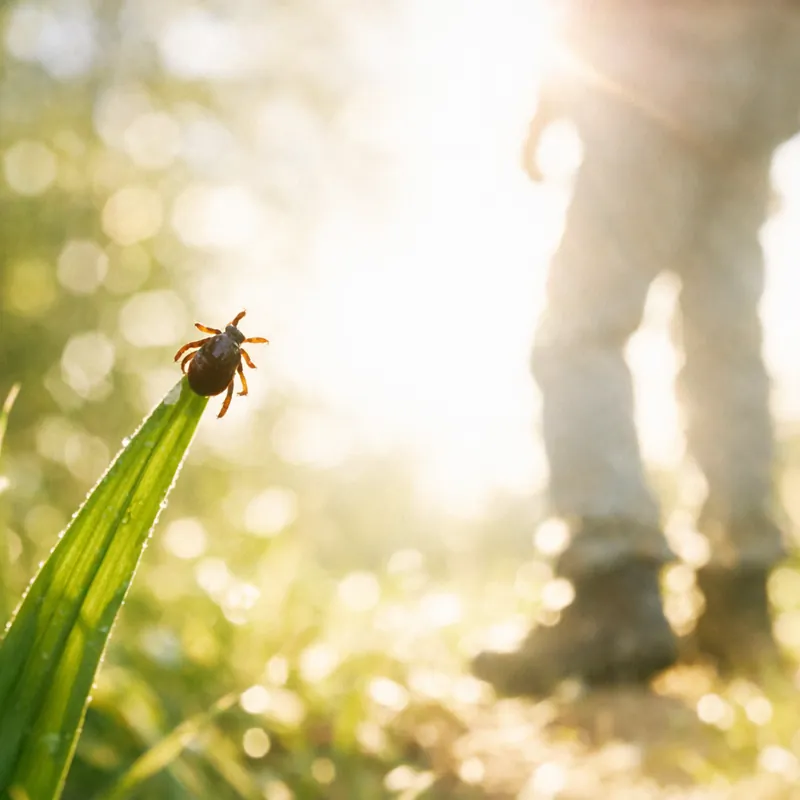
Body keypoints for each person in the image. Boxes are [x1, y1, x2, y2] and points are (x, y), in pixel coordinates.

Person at [473, 0, 800, 696]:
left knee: (580, 333)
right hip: (764, 90)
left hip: (653, 70)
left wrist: (550, 93)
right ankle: (740, 598)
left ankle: (611, 586)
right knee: (726, 346)